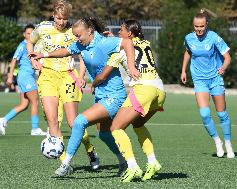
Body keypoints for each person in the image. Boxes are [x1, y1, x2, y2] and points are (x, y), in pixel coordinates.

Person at [30, 17, 136, 177]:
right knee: (105, 135)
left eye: (79, 35)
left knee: (79, 122)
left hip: (114, 95)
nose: (77, 39)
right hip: (101, 95)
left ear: (90, 31)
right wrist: (43, 54)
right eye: (75, 36)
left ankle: (66, 164)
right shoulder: (81, 44)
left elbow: (127, 43)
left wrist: (132, 66)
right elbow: (65, 51)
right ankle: (124, 163)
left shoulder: (103, 43)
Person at [26, 0, 98, 169]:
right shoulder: (42, 28)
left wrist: (81, 75)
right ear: (53, 15)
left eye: (64, 18)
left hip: (68, 76)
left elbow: (81, 54)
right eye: (58, 18)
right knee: (53, 121)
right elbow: (30, 42)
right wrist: (32, 58)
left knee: (74, 123)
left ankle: (90, 150)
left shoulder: (73, 31)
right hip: (47, 77)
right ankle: (65, 162)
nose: (61, 22)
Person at [97, 20, 166, 182]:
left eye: (121, 30)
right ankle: (152, 162)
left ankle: (132, 166)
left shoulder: (120, 52)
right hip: (160, 89)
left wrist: (94, 83)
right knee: (138, 124)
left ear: (129, 33)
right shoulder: (145, 42)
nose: (119, 32)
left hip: (144, 89)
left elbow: (103, 75)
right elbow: (131, 45)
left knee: (116, 127)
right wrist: (116, 39)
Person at [180, 10, 235, 159]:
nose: (199, 29)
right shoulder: (189, 38)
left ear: (206, 25)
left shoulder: (214, 37)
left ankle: (228, 143)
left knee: (221, 114)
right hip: (199, 80)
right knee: (204, 114)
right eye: (196, 26)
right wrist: (183, 70)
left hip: (215, 79)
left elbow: (227, 57)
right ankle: (218, 142)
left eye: (202, 26)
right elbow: (188, 52)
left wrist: (223, 68)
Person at [0, 24, 46, 136]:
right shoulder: (22, 45)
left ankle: (3, 120)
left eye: (32, 33)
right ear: (24, 34)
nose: (30, 35)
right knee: (34, 101)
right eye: (28, 33)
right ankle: (35, 129)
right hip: (25, 76)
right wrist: (10, 76)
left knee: (24, 105)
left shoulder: (34, 45)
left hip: (26, 77)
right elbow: (14, 60)